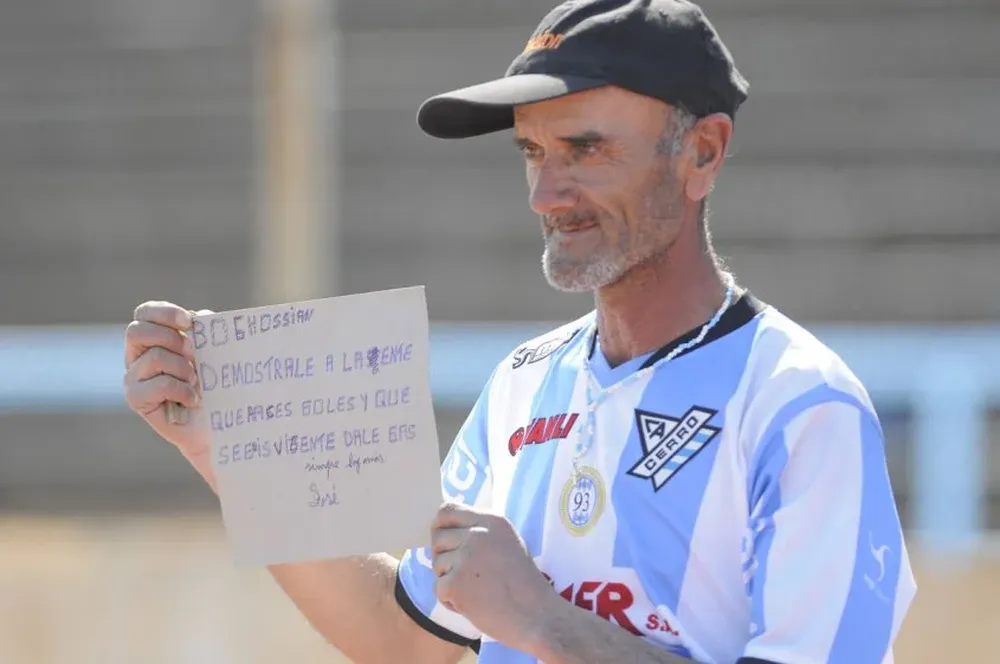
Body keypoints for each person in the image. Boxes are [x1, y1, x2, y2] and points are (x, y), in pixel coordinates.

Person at [123, 0, 916, 662]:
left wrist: (541, 620)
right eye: (531, 151)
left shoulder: (800, 404)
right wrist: (229, 452)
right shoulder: (523, 383)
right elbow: (412, 643)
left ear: (701, 152)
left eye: (585, 148)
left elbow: (514, 613)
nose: (545, 193)